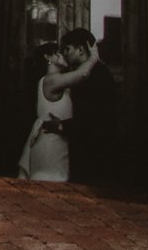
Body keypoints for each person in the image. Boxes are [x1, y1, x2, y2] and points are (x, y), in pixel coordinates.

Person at [17, 30, 101, 181]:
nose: (63, 54)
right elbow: (83, 74)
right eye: (58, 52)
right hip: (50, 143)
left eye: (64, 50)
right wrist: (94, 57)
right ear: (48, 57)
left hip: (59, 143)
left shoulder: (61, 80)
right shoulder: (50, 80)